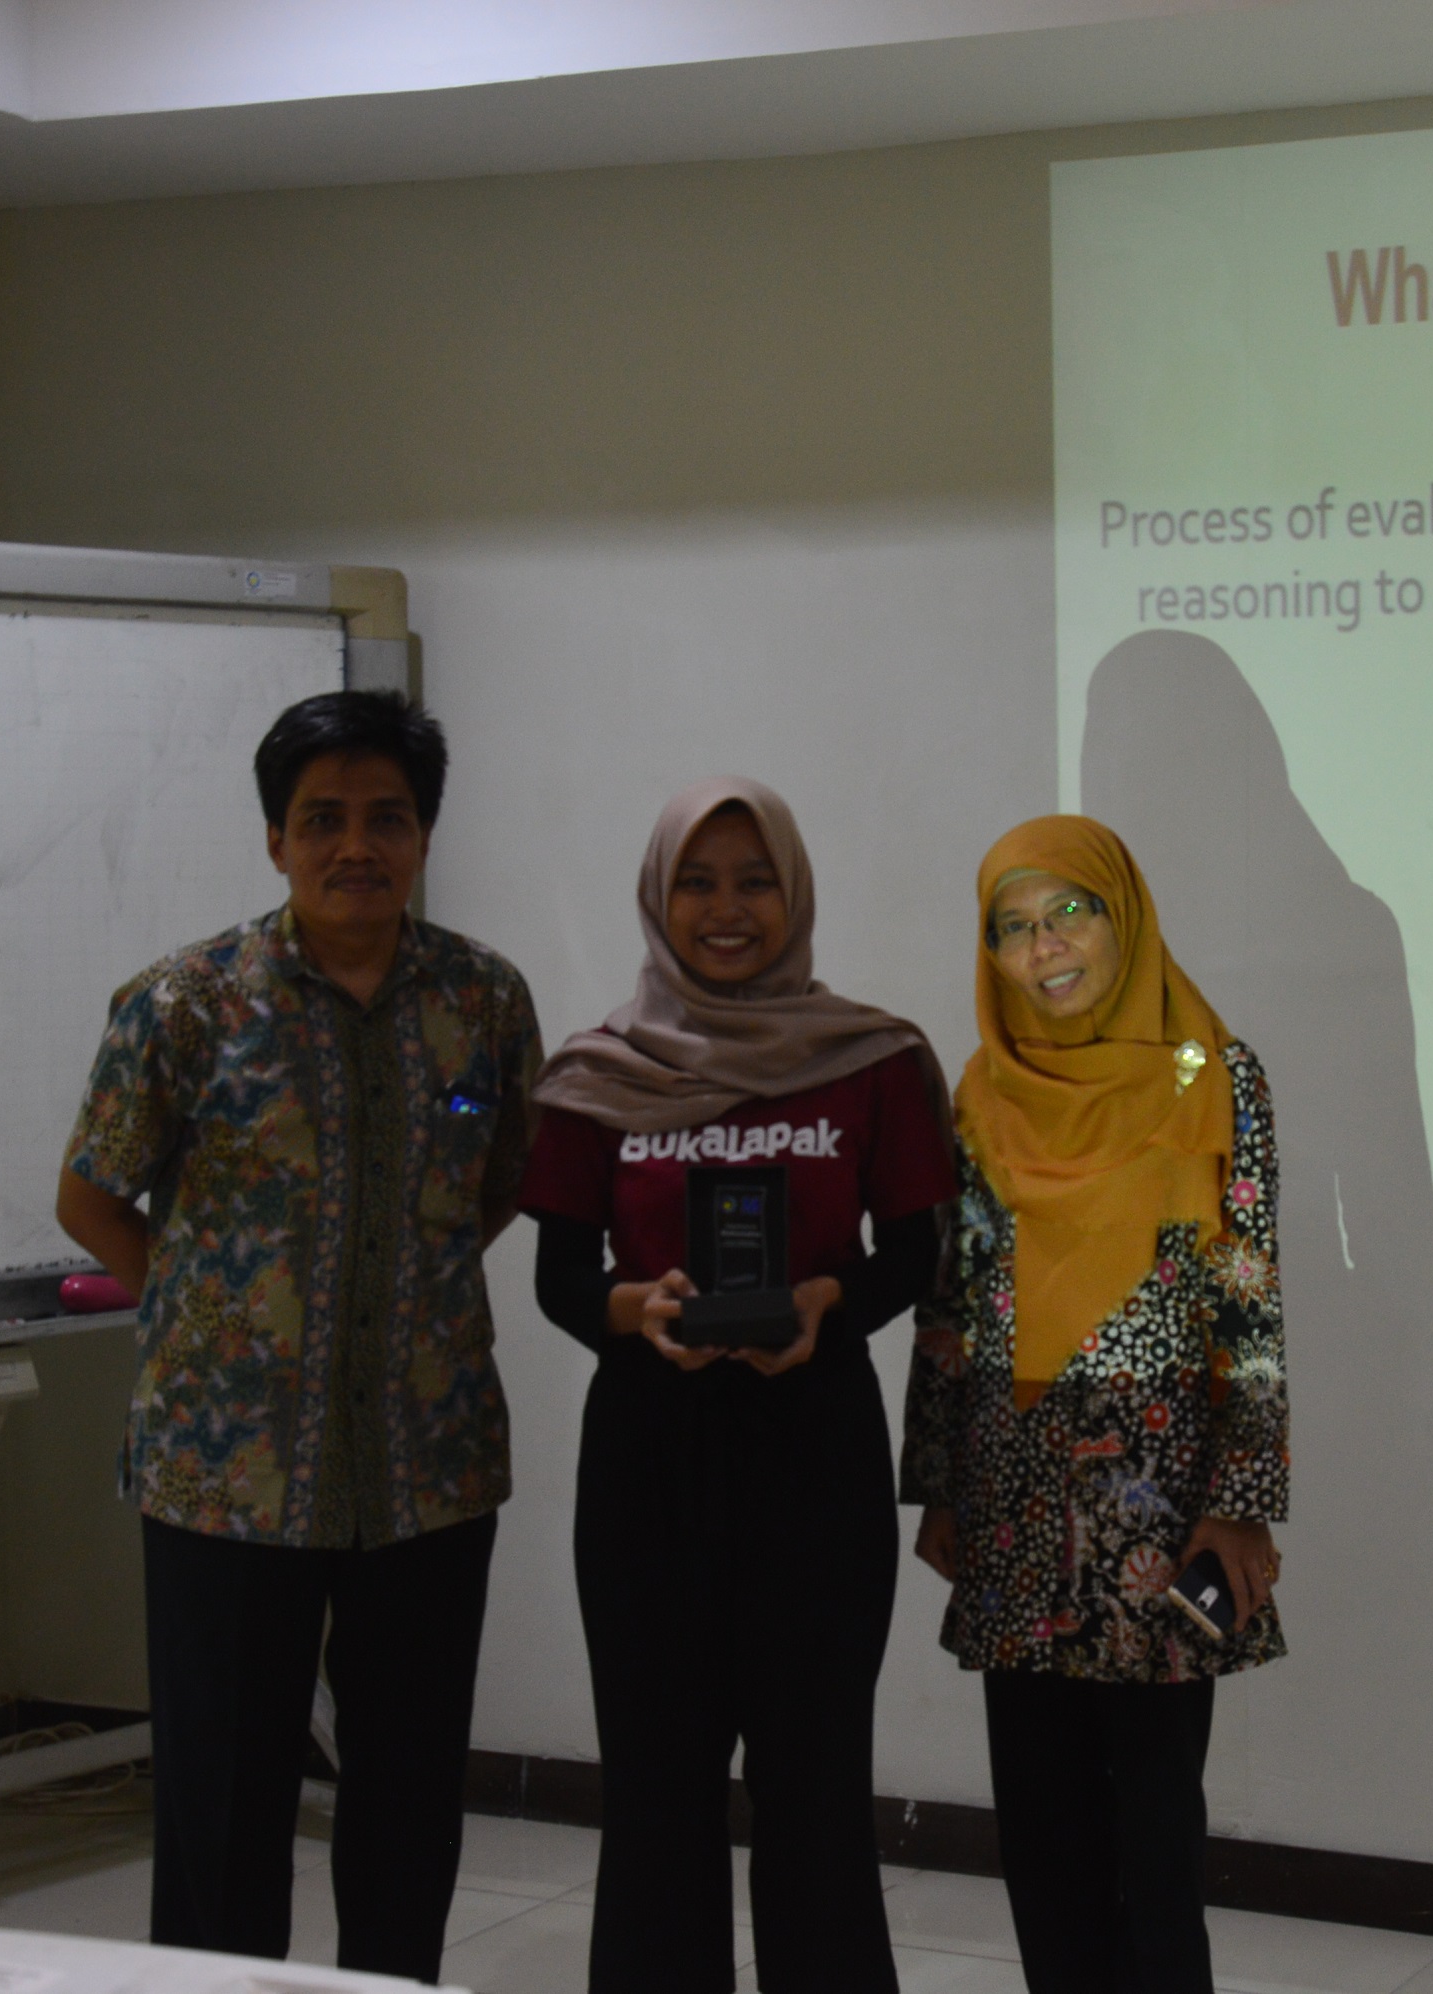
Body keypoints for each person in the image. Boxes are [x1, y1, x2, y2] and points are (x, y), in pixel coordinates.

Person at [55, 690, 540, 1980]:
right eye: (322, 819)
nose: (355, 846)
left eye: (387, 817)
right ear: (276, 838)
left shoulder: (484, 999)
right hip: (228, 1478)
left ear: (424, 834)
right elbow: (91, 1196)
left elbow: (500, 1179)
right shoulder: (185, 1003)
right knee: (223, 1813)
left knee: (409, 1803)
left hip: (428, 1468)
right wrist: (211, 1313)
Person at [521, 777, 957, 1993]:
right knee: (656, 1790)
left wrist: (826, 1302)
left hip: (815, 1452)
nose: (727, 908)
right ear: (658, 898)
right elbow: (560, 1277)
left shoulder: (872, 1058)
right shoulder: (597, 1070)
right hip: (648, 1461)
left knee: (816, 1790)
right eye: (698, 883)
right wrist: (638, 1310)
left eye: (755, 881)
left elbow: (912, 1255)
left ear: (796, 892)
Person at [903, 815, 1290, 1994]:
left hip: (1159, 1503)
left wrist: (1241, 1499)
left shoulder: (1214, 1074)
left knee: (1156, 1831)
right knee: (1043, 1830)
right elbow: (951, 1302)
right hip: (1014, 1497)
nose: (1046, 946)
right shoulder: (983, 1090)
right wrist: (938, 1485)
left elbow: (1249, 1301)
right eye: (1014, 926)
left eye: (1069, 911)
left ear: (1123, 915)